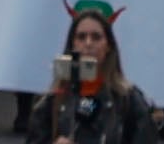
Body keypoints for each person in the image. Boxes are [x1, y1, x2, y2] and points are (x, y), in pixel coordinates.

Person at [18, 9, 151, 144]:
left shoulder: (129, 99)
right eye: (81, 37)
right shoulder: (51, 101)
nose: (88, 43)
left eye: (96, 37)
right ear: (72, 45)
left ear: (109, 46)